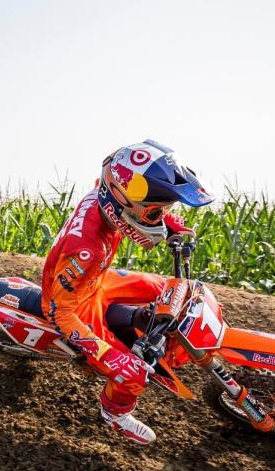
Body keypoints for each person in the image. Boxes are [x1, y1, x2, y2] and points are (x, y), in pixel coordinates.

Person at [41, 140, 214, 444]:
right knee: (133, 373)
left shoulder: (104, 196)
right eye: (154, 214)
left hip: (99, 280)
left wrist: (168, 224)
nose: (159, 219)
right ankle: (114, 412)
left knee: (175, 290)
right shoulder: (86, 250)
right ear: (122, 206)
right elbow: (60, 311)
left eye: (163, 211)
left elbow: (109, 182)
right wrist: (109, 356)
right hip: (76, 306)